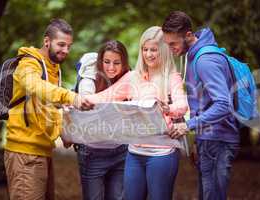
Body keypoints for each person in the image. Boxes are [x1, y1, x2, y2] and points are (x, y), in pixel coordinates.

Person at [86, 26, 188, 200]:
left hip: (162, 153)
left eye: (154, 49)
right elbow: (106, 96)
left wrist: (168, 108)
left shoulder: (171, 77)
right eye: (145, 49)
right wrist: (76, 100)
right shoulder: (133, 77)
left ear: (163, 49)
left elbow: (182, 104)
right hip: (134, 152)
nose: (149, 54)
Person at [3, 18, 93, 200]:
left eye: (69, 46)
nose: (66, 50)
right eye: (61, 44)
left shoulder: (53, 69)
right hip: (25, 152)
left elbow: (46, 109)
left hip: (43, 151)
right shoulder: (28, 63)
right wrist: (71, 97)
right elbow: (35, 86)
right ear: (47, 41)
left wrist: (64, 132)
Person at [162, 11, 240, 200]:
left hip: (218, 141)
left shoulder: (205, 60)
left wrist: (187, 126)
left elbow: (223, 104)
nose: (171, 48)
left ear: (188, 35)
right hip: (210, 139)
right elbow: (204, 103)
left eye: (173, 43)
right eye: (168, 44)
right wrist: (198, 140)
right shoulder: (195, 55)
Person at [74, 40, 130, 200]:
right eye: (106, 62)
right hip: (93, 153)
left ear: (124, 63)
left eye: (116, 63)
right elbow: (88, 113)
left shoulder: (128, 78)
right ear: (100, 61)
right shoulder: (89, 81)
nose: (111, 67)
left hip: (121, 151)